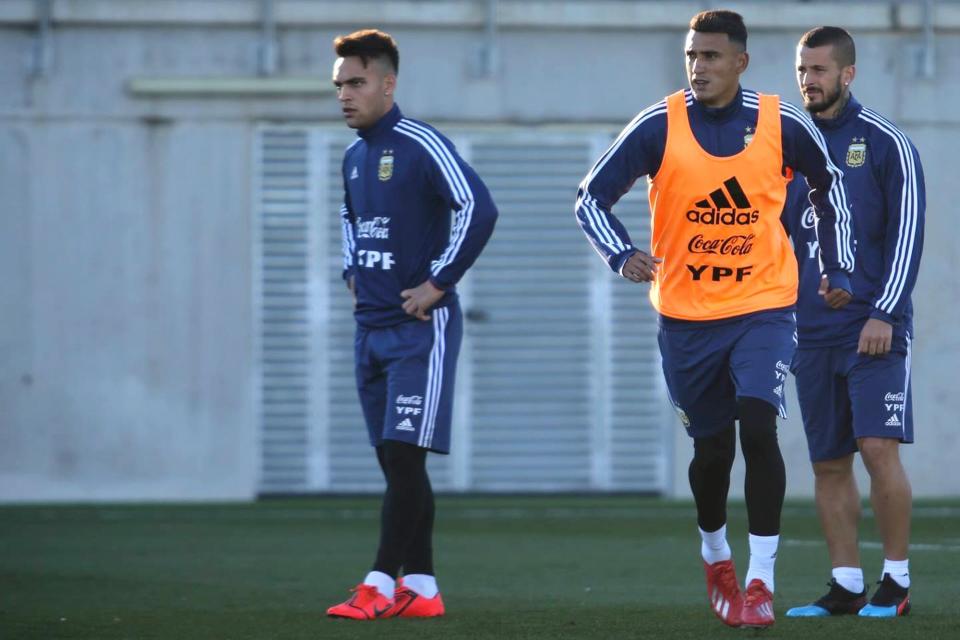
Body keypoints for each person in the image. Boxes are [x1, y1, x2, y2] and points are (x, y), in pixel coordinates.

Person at [575, 10, 854, 629]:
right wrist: (621, 253)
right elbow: (589, 196)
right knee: (711, 454)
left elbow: (828, 184)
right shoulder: (658, 124)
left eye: (710, 57)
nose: (698, 67)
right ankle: (716, 556)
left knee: (758, 425)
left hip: (764, 308)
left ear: (741, 63)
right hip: (685, 319)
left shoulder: (780, 122)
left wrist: (835, 263)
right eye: (691, 57)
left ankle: (761, 581)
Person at [325, 29, 498, 621]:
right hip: (369, 332)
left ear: (387, 83)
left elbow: (479, 207)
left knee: (402, 459)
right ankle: (422, 588)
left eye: (356, 82)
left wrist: (439, 283)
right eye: (340, 84)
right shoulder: (352, 156)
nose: (345, 94)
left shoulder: (420, 143)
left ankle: (376, 584)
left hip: (418, 332)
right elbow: (350, 220)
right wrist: (351, 270)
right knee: (399, 464)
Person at [782, 26, 923, 619]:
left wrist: (884, 312)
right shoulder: (785, 145)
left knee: (876, 447)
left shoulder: (886, 142)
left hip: (874, 327)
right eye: (801, 70)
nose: (808, 81)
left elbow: (907, 234)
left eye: (819, 70)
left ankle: (896, 582)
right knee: (828, 460)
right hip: (809, 332)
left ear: (848, 74)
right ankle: (845, 584)